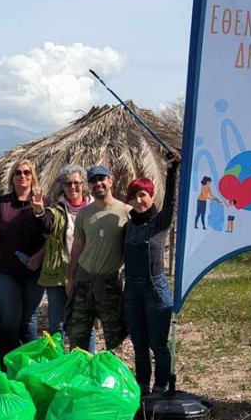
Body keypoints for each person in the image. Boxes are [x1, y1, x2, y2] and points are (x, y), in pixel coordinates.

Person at [0, 159, 54, 368]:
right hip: (4, 269)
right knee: (9, 318)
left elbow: (51, 231)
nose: (22, 176)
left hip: (34, 269)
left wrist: (40, 211)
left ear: (33, 177)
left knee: (29, 319)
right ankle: (6, 366)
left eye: (27, 172)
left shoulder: (44, 201)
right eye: (18, 172)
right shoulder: (1, 203)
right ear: (12, 177)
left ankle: (27, 367)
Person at [123, 152, 180, 395]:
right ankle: (143, 385)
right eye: (134, 196)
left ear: (151, 196)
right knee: (139, 345)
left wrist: (172, 170)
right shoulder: (127, 226)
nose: (139, 200)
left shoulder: (160, 222)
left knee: (158, 344)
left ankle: (161, 386)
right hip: (131, 291)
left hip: (155, 290)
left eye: (143, 195)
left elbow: (171, 201)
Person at [67, 164, 130, 352]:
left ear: (110, 181)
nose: (98, 183)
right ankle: (79, 370)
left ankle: (110, 370)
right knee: (77, 339)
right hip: (83, 281)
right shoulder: (84, 213)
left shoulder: (126, 212)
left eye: (101, 179)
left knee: (114, 340)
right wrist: (71, 279)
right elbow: (77, 246)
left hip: (109, 283)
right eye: (93, 181)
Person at [39, 164, 96, 352]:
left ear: (83, 184)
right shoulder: (56, 209)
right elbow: (46, 225)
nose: (73, 187)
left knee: (85, 324)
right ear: (62, 186)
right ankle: (60, 363)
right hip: (58, 274)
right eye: (68, 183)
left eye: (76, 183)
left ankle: (86, 362)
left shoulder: (94, 209)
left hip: (85, 274)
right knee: (57, 325)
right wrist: (39, 212)